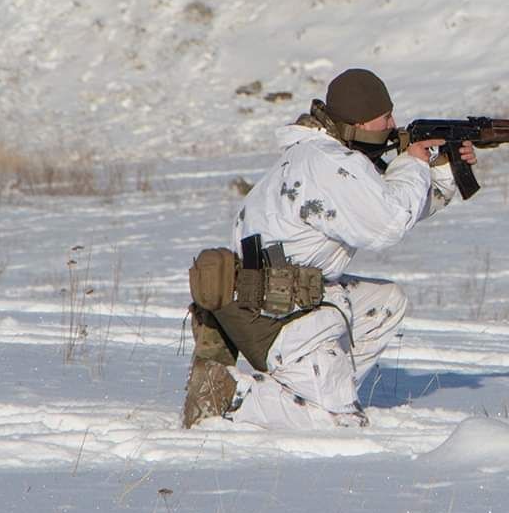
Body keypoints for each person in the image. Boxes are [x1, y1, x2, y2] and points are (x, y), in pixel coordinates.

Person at [182, 68, 474, 429]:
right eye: (385, 117)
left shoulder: (320, 156)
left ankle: (324, 384)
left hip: (274, 297)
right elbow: (387, 225)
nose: (393, 123)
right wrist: (413, 162)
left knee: (385, 303)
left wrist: (440, 171)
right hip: (275, 312)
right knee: (337, 425)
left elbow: (391, 205)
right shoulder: (330, 164)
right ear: (361, 121)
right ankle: (225, 396)